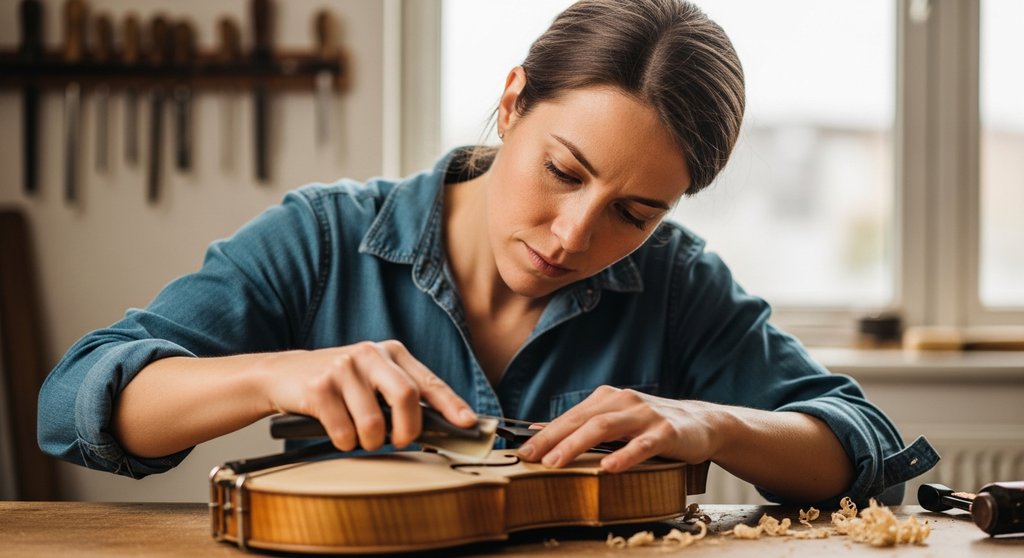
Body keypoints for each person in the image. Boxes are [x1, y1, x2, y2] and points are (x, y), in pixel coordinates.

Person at [38, 0, 936, 506]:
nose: (575, 236)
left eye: (635, 211)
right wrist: (279, 377)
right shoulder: (323, 238)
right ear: (512, 103)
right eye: (561, 170)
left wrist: (710, 424)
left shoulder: (677, 281)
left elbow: (865, 446)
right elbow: (76, 398)